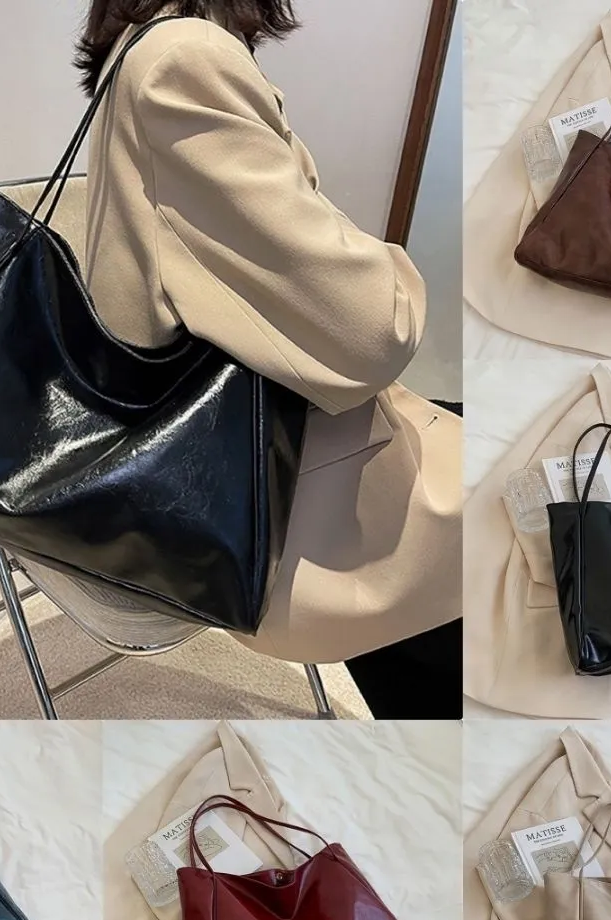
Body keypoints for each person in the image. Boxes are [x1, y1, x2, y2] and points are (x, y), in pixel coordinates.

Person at [76, 1, 462, 719]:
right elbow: (376, 329)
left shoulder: (141, 43)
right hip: (236, 486)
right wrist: (393, 270)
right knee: (504, 520)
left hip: (203, 441)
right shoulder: (187, 58)